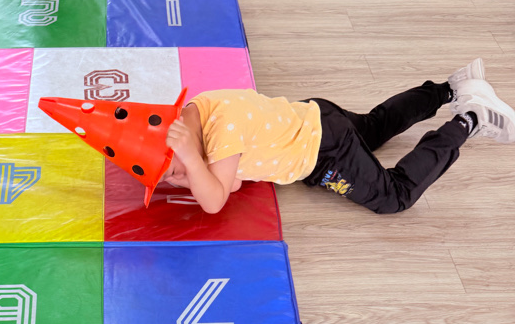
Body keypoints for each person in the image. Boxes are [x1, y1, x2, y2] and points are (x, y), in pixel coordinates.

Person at [163, 59, 515, 214]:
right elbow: (234, 182)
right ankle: (453, 87)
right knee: (374, 127)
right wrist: (191, 166)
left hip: (323, 151)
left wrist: (194, 164)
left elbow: (215, 201)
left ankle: (471, 119)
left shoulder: (222, 130)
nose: (174, 179)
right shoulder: (198, 110)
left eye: (173, 169)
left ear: (180, 140)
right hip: (315, 116)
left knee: (394, 196)